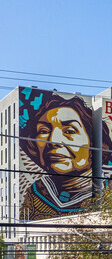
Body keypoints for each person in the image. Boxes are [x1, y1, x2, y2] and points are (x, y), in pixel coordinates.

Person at [19, 91, 94, 221]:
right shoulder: (35, 192)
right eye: (43, 131)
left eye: (70, 131)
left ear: (92, 142)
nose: (54, 140)